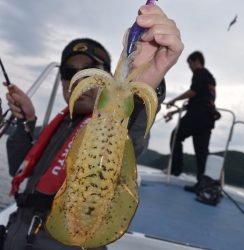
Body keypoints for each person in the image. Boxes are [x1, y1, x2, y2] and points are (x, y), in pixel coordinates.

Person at [2, 4, 183, 250]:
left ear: (105, 76)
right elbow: (18, 167)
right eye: (69, 71)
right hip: (18, 232)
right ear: (64, 81)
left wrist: (143, 85)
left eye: (90, 70)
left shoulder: (119, 123)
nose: (81, 78)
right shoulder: (60, 124)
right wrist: (28, 120)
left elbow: (134, 132)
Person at [166, 51, 218, 192]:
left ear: (196, 61)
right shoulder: (210, 79)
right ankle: (202, 183)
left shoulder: (199, 73)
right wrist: (175, 112)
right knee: (202, 152)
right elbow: (198, 99)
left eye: (190, 64)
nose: (190, 68)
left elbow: (193, 92)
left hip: (196, 116)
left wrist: (174, 100)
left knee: (176, 136)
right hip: (207, 119)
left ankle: (175, 170)